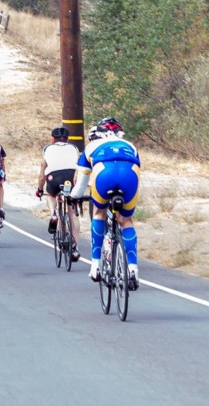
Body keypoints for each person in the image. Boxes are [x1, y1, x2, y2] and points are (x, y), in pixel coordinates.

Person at [68, 117, 141, 288]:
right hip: (129, 176)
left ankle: (96, 266)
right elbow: (138, 172)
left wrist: (74, 196)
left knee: (99, 214)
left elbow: (81, 185)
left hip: (104, 176)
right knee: (126, 221)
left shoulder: (91, 147)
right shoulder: (131, 146)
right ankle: (133, 269)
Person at [37, 126, 82, 260]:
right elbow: (79, 168)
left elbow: (41, 175)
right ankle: (74, 248)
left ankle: (54, 214)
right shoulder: (74, 148)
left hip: (54, 177)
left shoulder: (47, 149)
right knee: (72, 214)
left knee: (51, 195)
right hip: (71, 176)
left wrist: (39, 189)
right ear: (67, 140)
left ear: (52, 139)